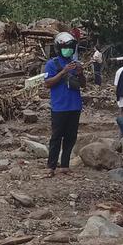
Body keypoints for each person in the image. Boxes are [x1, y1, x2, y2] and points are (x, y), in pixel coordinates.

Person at [43, 32, 84, 176]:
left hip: (75, 105)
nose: (69, 50)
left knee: (70, 137)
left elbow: (83, 84)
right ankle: (51, 166)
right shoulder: (52, 64)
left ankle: (65, 165)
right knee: (56, 137)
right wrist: (64, 72)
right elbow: (48, 83)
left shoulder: (75, 64)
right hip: (59, 106)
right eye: (66, 47)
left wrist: (80, 73)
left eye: (71, 48)